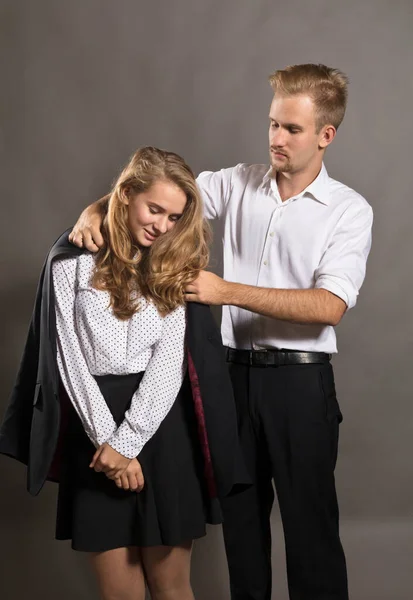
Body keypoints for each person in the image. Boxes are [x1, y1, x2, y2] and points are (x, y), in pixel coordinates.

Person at [67, 64, 373, 600]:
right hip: (228, 381)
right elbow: (158, 193)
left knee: (311, 535)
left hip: (300, 388)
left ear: (326, 135)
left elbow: (330, 305)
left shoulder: (348, 210)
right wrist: (99, 207)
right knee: (241, 533)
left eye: (292, 129)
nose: (277, 138)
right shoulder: (239, 182)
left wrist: (225, 291)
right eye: (273, 124)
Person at [0, 147, 250, 600]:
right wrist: (108, 446)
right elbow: (69, 361)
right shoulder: (70, 261)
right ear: (126, 194)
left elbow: (169, 363)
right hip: (92, 426)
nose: (162, 225)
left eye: (174, 217)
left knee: (171, 585)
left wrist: (128, 442)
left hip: (162, 426)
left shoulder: (174, 265)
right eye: (155, 209)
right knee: (120, 592)